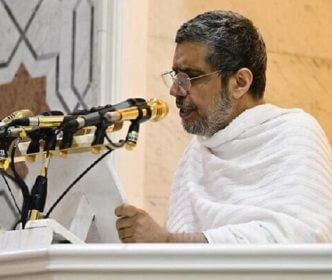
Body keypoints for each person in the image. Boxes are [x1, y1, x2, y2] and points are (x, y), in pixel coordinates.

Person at [115, 10, 332, 243]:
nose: (175, 90)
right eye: (176, 76)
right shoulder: (196, 153)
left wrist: (167, 242)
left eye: (191, 76)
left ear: (240, 82)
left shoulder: (295, 134)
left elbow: (304, 238)